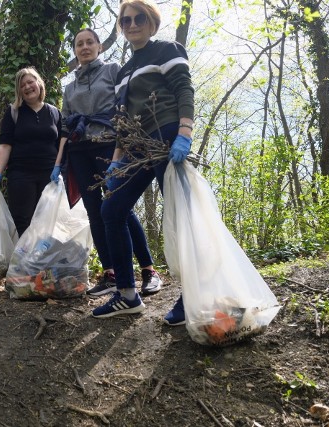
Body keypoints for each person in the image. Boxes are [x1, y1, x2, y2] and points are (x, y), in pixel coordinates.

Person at [92, 0, 194, 323]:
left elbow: (184, 89)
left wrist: (185, 133)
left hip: (166, 138)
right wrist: (116, 162)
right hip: (136, 150)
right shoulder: (123, 72)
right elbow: (122, 121)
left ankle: (194, 295)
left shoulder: (166, 50)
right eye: (125, 21)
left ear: (151, 22)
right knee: (111, 209)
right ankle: (126, 294)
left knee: (181, 218)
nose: (132, 24)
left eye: (138, 18)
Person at [52, 28, 162, 298]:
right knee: (94, 211)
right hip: (79, 150)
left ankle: (149, 270)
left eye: (90, 42)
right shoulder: (70, 86)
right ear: (75, 51)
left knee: (120, 206)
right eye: (79, 44)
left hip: (110, 145)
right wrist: (58, 163)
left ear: (99, 46)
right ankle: (111, 273)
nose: (85, 47)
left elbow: (125, 106)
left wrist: (122, 149)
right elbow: (66, 126)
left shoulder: (113, 71)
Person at [0, 67, 62, 236]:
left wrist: (60, 168)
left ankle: (44, 260)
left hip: (49, 174)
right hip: (21, 174)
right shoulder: (14, 112)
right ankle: (25, 260)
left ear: (39, 84)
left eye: (30, 82)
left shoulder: (54, 112)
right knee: (23, 219)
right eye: (22, 85)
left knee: (48, 220)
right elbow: (5, 145)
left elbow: (61, 144)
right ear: (19, 91)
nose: (27, 87)